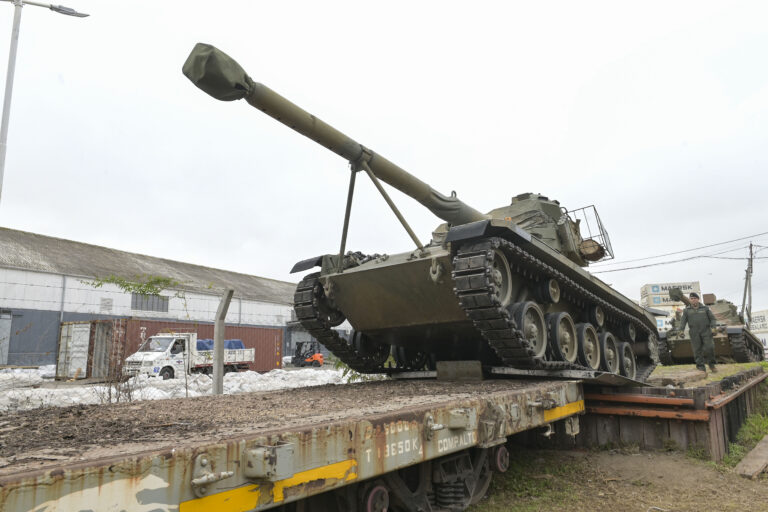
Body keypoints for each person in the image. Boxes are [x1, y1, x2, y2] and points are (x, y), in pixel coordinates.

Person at [678, 292, 717, 372]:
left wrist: (713, 328)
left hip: (706, 331)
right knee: (697, 350)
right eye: (691, 299)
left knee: (710, 348)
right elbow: (683, 322)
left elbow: (712, 319)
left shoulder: (705, 308)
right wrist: (681, 331)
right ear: (689, 300)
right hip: (694, 332)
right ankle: (701, 367)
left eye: (695, 298)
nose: (693, 300)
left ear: (698, 299)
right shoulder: (686, 310)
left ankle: (712, 365)